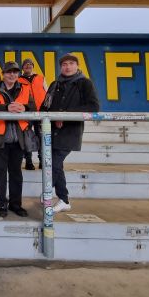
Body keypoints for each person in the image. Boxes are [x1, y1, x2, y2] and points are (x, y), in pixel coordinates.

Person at [41, 53, 100, 213]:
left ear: (77, 66)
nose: (67, 67)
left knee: (54, 162)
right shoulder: (54, 84)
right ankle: (64, 199)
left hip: (69, 132)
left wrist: (65, 116)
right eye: (64, 64)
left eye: (71, 63)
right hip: (51, 131)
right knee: (56, 164)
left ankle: (47, 191)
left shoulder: (84, 83)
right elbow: (45, 106)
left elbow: (93, 107)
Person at [0, 61, 36, 218]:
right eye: (9, 72)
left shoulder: (26, 88)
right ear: (3, 73)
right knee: (0, 173)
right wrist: (6, 108)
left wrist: (25, 108)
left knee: (16, 174)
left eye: (15, 72)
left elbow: (34, 108)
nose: (12, 74)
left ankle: (16, 204)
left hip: (18, 139)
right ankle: (2, 203)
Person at [18, 58, 48, 170]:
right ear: (22, 67)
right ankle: (29, 161)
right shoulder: (18, 80)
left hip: (41, 113)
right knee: (27, 137)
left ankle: (42, 161)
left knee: (41, 136)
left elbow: (48, 94)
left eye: (30, 64)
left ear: (33, 66)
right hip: (26, 113)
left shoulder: (41, 78)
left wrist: (47, 109)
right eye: (25, 65)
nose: (28, 66)